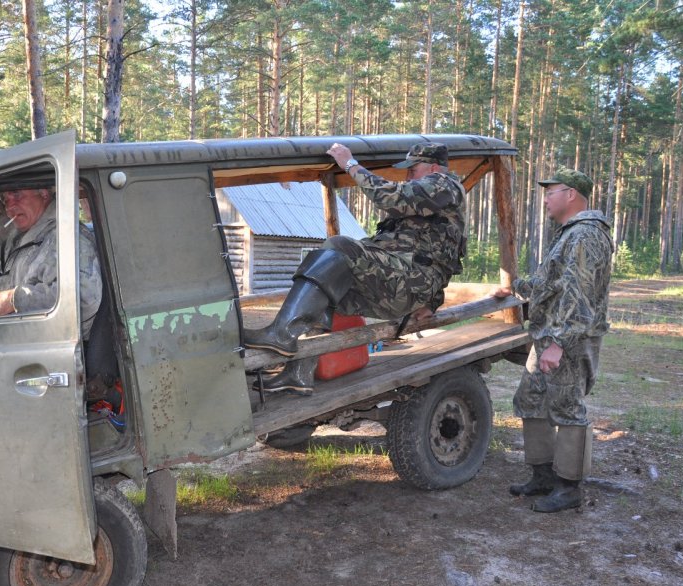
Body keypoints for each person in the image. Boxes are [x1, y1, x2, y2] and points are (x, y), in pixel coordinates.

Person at [243, 141, 467, 394]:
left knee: (340, 246)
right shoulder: (432, 201)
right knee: (327, 289)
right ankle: (298, 373)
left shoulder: (444, 185)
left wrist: (350, 164)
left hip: (407, 282)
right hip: (402, 284)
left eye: (413, 169)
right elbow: (445, 254)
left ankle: (280, 335)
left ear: (434, 168)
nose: (407, 175)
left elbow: (392, 197)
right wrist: (432, 302)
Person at [493, 167, 613, 513]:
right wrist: (516, 288)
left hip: (568, 339)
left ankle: (569, 487)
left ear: (571, 194)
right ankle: (543, 475)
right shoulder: (569, 234)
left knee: (566, 407)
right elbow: (552, 285)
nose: (545, 198)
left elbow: (580, 296)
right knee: (530, 400)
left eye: (551, 191)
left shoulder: (585, 236)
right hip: (549, 336)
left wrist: (559, 344)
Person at [0, 187, 102, 340]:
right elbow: (3, 273)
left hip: (56, 349)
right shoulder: (16, 239)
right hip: (17, 342)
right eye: (5, 200)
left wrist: (14, 300)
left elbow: (84, 297)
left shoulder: (67, 235)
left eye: (16, 195)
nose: (9, 208)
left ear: (43, 193)